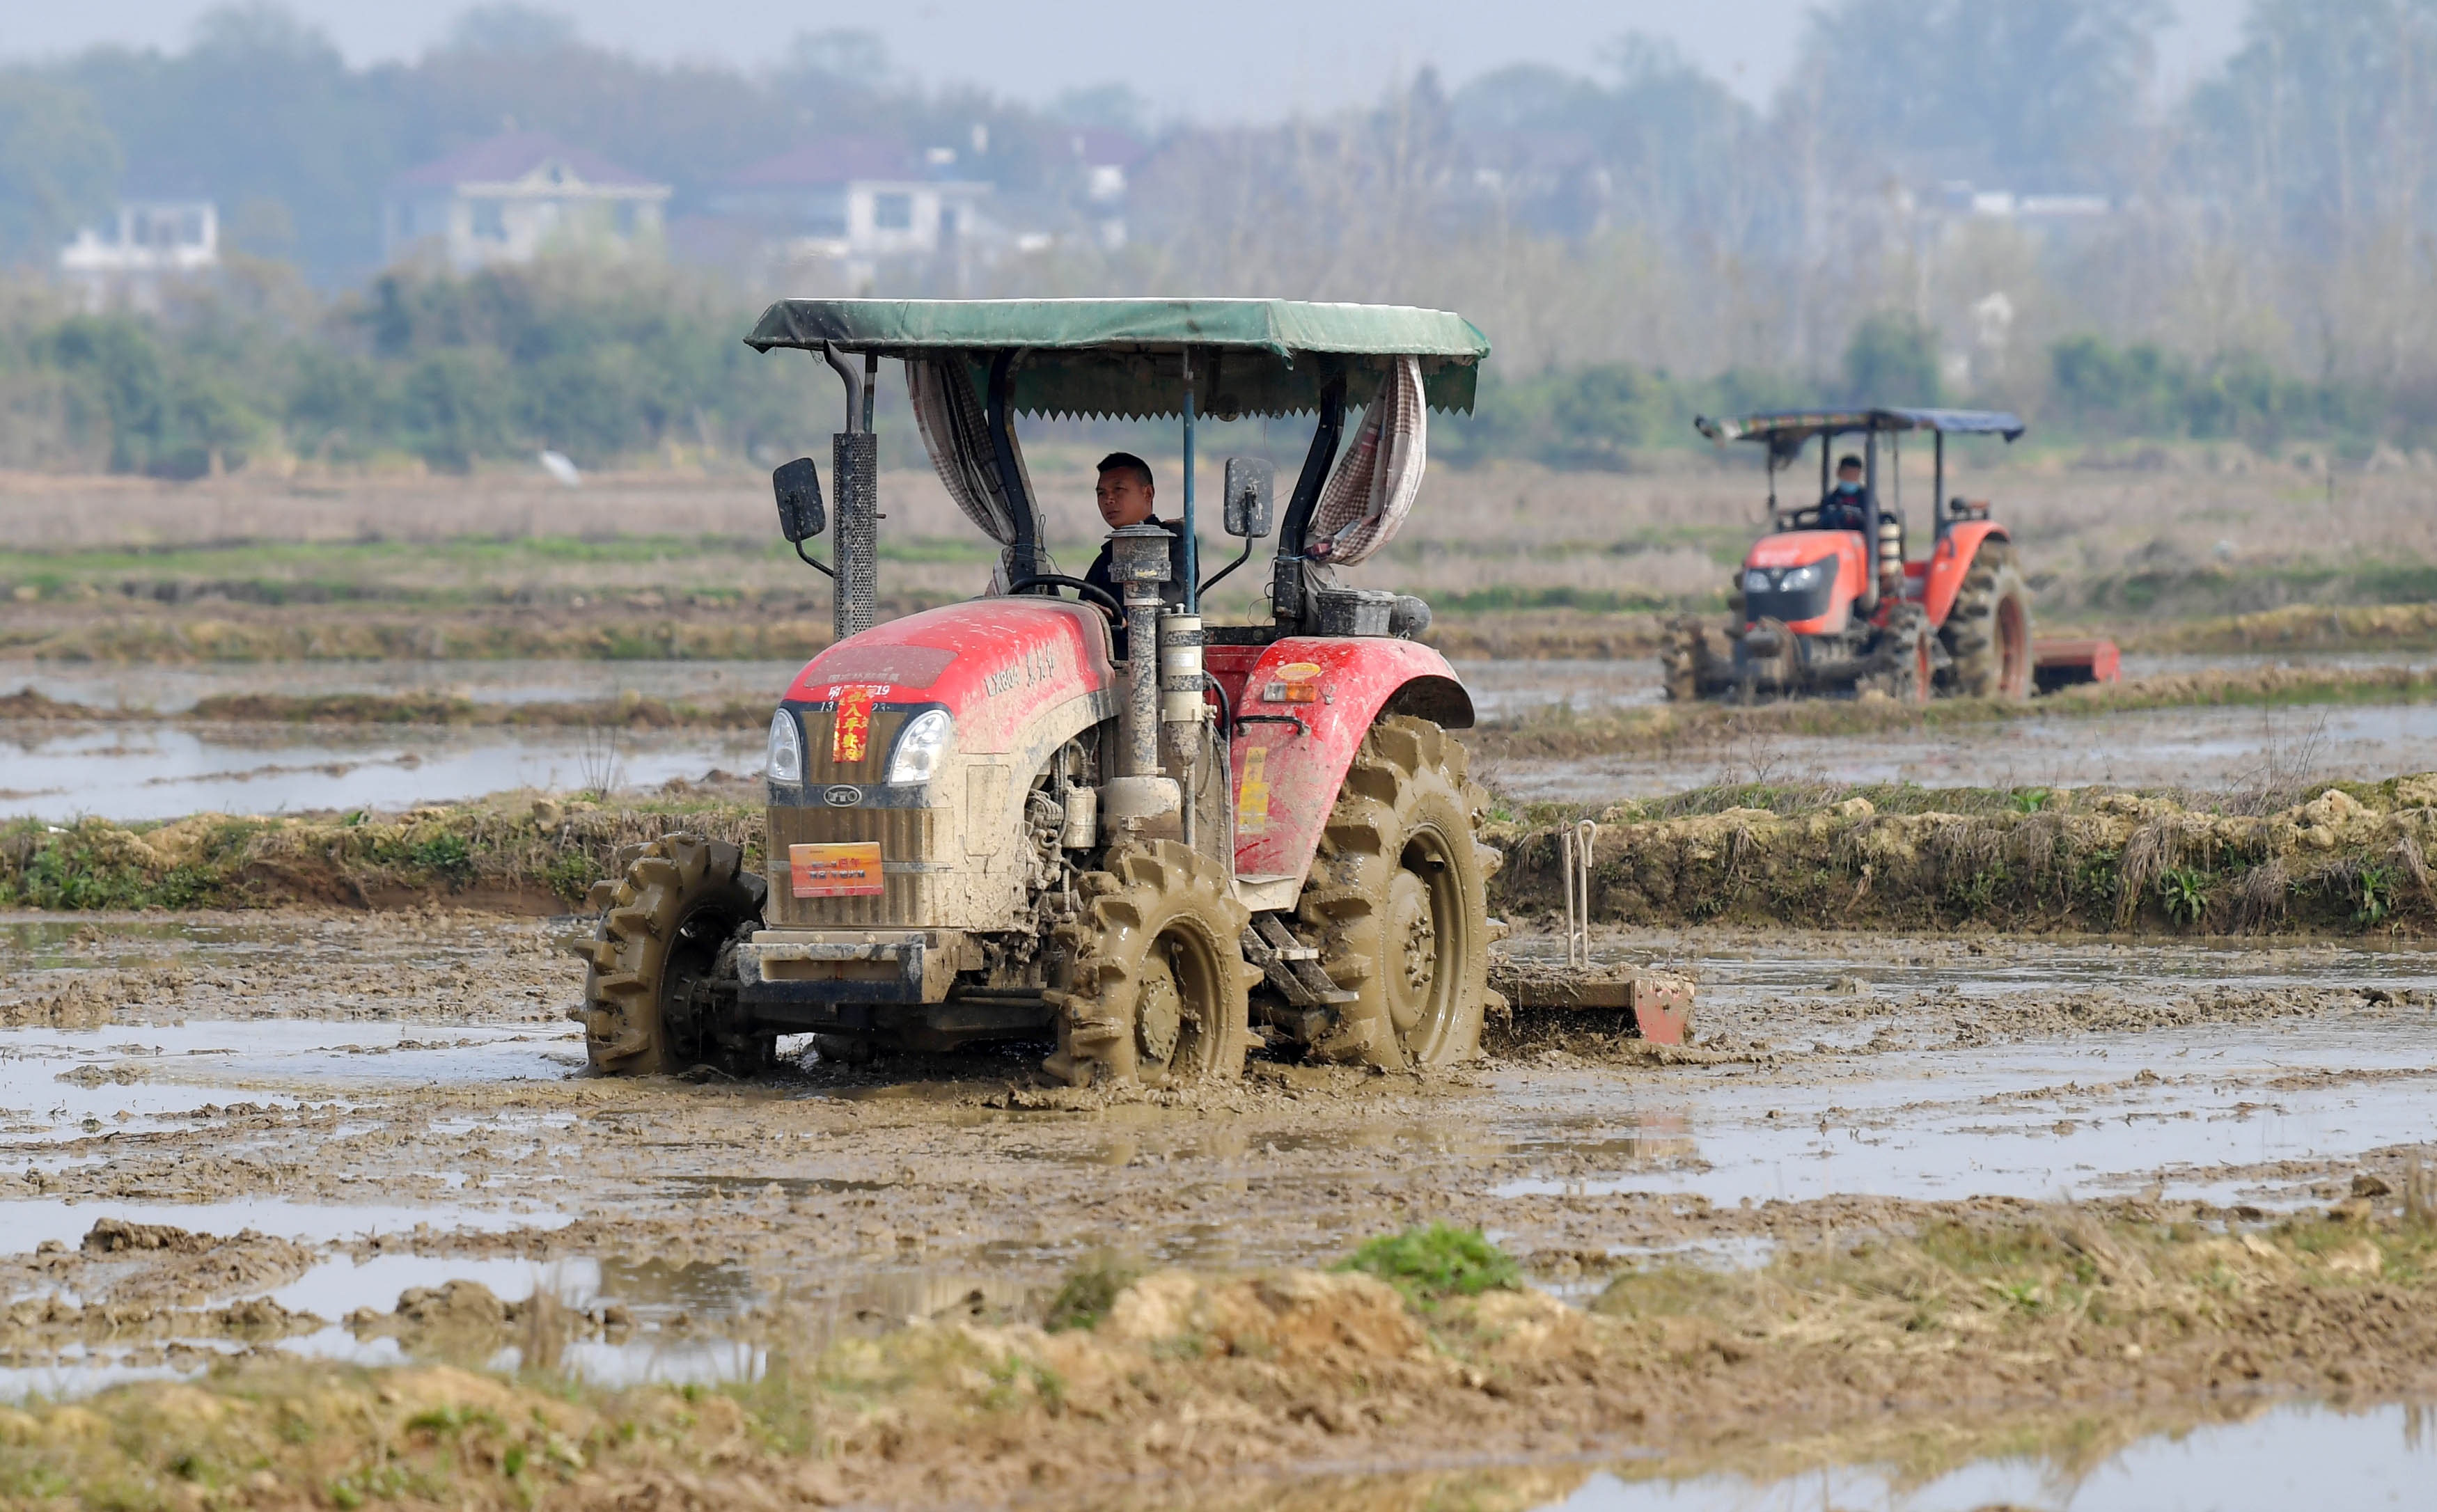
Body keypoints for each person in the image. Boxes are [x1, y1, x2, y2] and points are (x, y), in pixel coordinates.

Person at [1081, 452, 1189, 606]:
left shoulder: (1174, 541)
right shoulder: (1106, 557)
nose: (1108, 500)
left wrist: (1123, 619)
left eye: (1118, 489)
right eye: (1101, 493)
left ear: (1148, 494)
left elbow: (1171, 597)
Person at [1817, 454, 1872, 533]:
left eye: (1854, 475)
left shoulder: (1868, 499)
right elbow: (1822, 522)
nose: (1850, 478)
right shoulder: (1830, 499)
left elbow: (1874, 522)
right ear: (1839, 472)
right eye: (1847, 474)